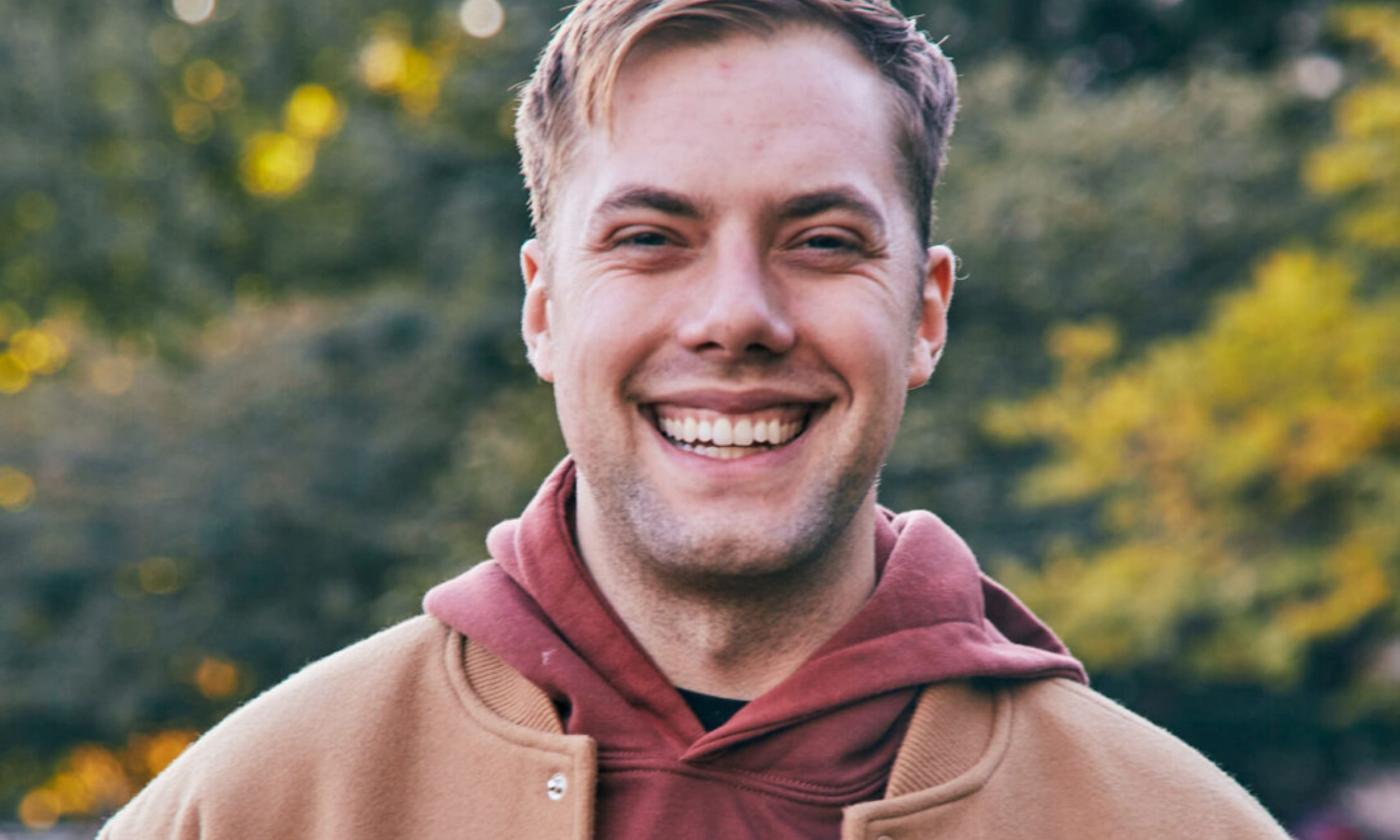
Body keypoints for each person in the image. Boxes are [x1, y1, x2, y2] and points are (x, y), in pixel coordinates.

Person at [101, 1, 1290, 837]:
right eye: (650, 239)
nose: (736, 317)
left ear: (923, 314)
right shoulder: (258, 810)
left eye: (822, 241)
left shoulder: (1171, 826)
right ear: (543, 308)